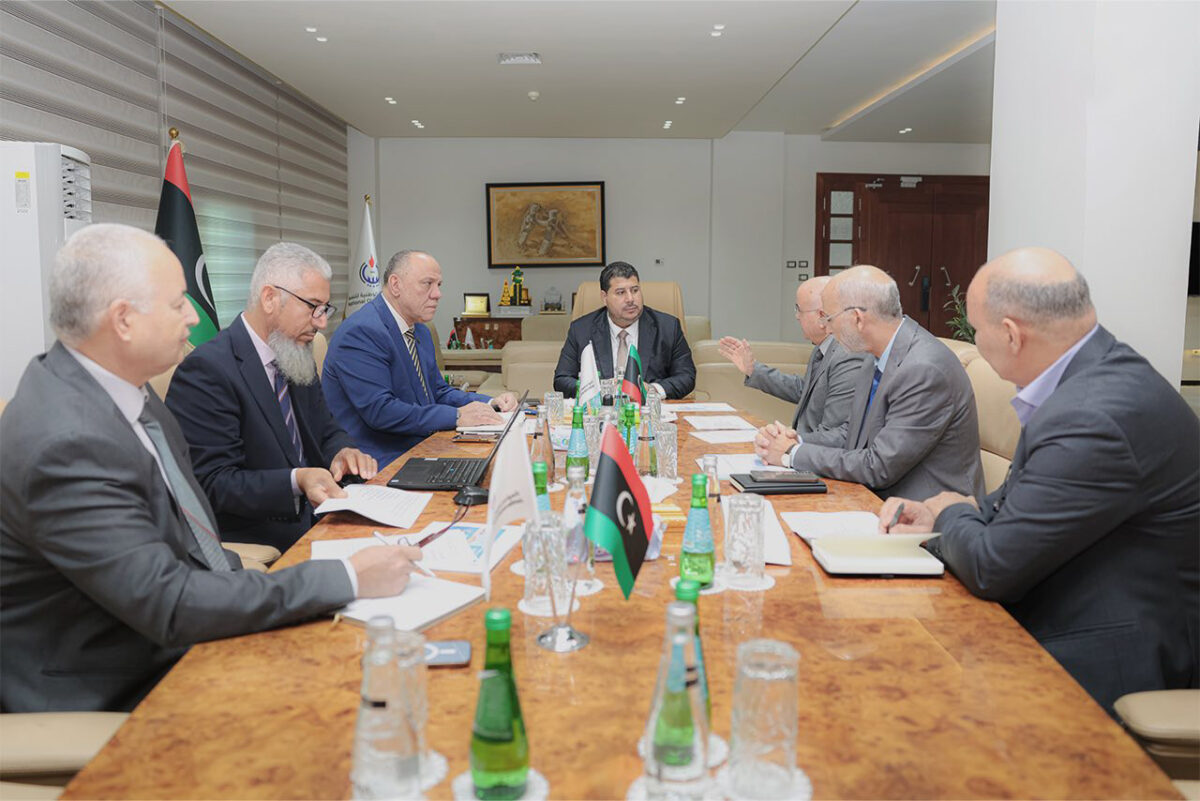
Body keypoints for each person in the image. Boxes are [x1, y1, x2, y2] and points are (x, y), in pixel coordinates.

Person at [0, 224, 422, 713]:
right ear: (123, 320)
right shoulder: (68, 442)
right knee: (350, 697)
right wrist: (345, 577)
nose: (192, 317)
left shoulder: (126, 394)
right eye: (177, 303)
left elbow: (188, 540)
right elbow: (168, 602)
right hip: (115, 682)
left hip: (174, 627)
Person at [879, 247, 1199, 714]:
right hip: (1067, 604)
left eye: (976, 330)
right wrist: (937, 514)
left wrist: (950, 512)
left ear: (1011, 335)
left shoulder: (1092, 415)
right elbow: (1023, 502)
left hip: (1107, 655)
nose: (974, 342)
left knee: (903, 693)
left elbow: (992, 568)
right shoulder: (1093, 376)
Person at [166, 243, 376, 552]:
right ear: (269, 299)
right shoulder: (208, 370)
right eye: (313, 307)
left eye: (325, 309)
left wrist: (342, 452)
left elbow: (326, 429)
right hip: (265, 537)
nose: (321, 322)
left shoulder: (295, 354)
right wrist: (296, 480)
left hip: (324, 517)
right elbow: (213, 483)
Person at [755, 265, 984, 501]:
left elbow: (879, 466)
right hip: (873, 496)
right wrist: (796, 441)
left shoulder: (924, 370)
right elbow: (852, 434)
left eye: (829, 318)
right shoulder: (874, 356)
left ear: (857, 319)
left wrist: (792, 453)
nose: (827, 328)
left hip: (924, 511)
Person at [322, 250, 518, 466]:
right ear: (395, 285)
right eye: (427, 284)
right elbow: (381, 412)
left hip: (422, 445)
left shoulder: (420, 331)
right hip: (378, 461)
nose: (437, 294)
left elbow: (438, 391)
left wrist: (489, 403)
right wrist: (457, 416)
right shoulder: (361, 332)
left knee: (502, 462)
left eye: (439, 285)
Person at [718, 276, 869, 445]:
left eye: (799, 309)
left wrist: (789, 443)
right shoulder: (824, 347)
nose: (797, 316)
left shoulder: (847, 354)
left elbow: (836, 435)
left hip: (816, 454)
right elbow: (805, 391)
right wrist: (752, 369)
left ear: (821, 316)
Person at [553, 261, 696, 399]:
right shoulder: (581, 329)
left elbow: (686, 376)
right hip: (602, 411)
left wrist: (652, 390)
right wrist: (600, 389)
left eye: (635, 290)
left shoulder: (668, 327)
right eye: (621, 292)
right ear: (604, 297)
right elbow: (562, 379)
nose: (630, 299)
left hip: (649, 411)